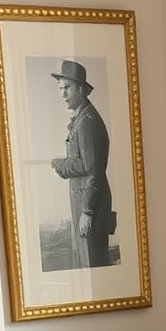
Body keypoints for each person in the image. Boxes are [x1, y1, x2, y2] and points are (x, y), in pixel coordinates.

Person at [50, 58, 115, 269]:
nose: (63, 94)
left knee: (94, 269)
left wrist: (87, 211)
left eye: (67, 87)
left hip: (91, 207)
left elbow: (91, 169)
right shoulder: (81, 119)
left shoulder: (87, 122)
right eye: (61, 88)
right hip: (87, 206)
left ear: (81, 89)